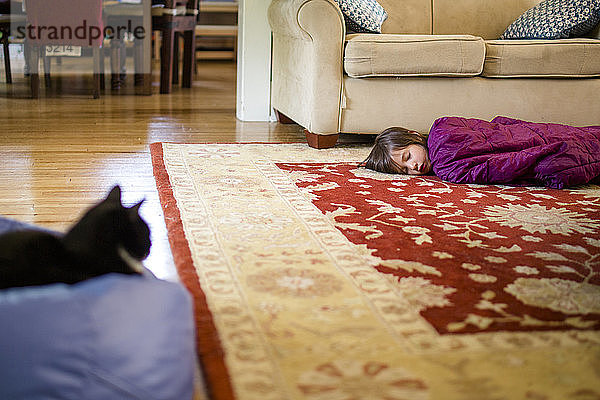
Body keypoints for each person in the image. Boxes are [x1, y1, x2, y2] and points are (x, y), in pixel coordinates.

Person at [361, 116, 600, 189]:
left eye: (407, 157)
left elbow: (496, 131)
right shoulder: (444, 158)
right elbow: (492, 168)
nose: (412, 167)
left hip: (528, 137)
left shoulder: (444, 140)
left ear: (414, 136)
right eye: (404, 171)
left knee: (562, 160)